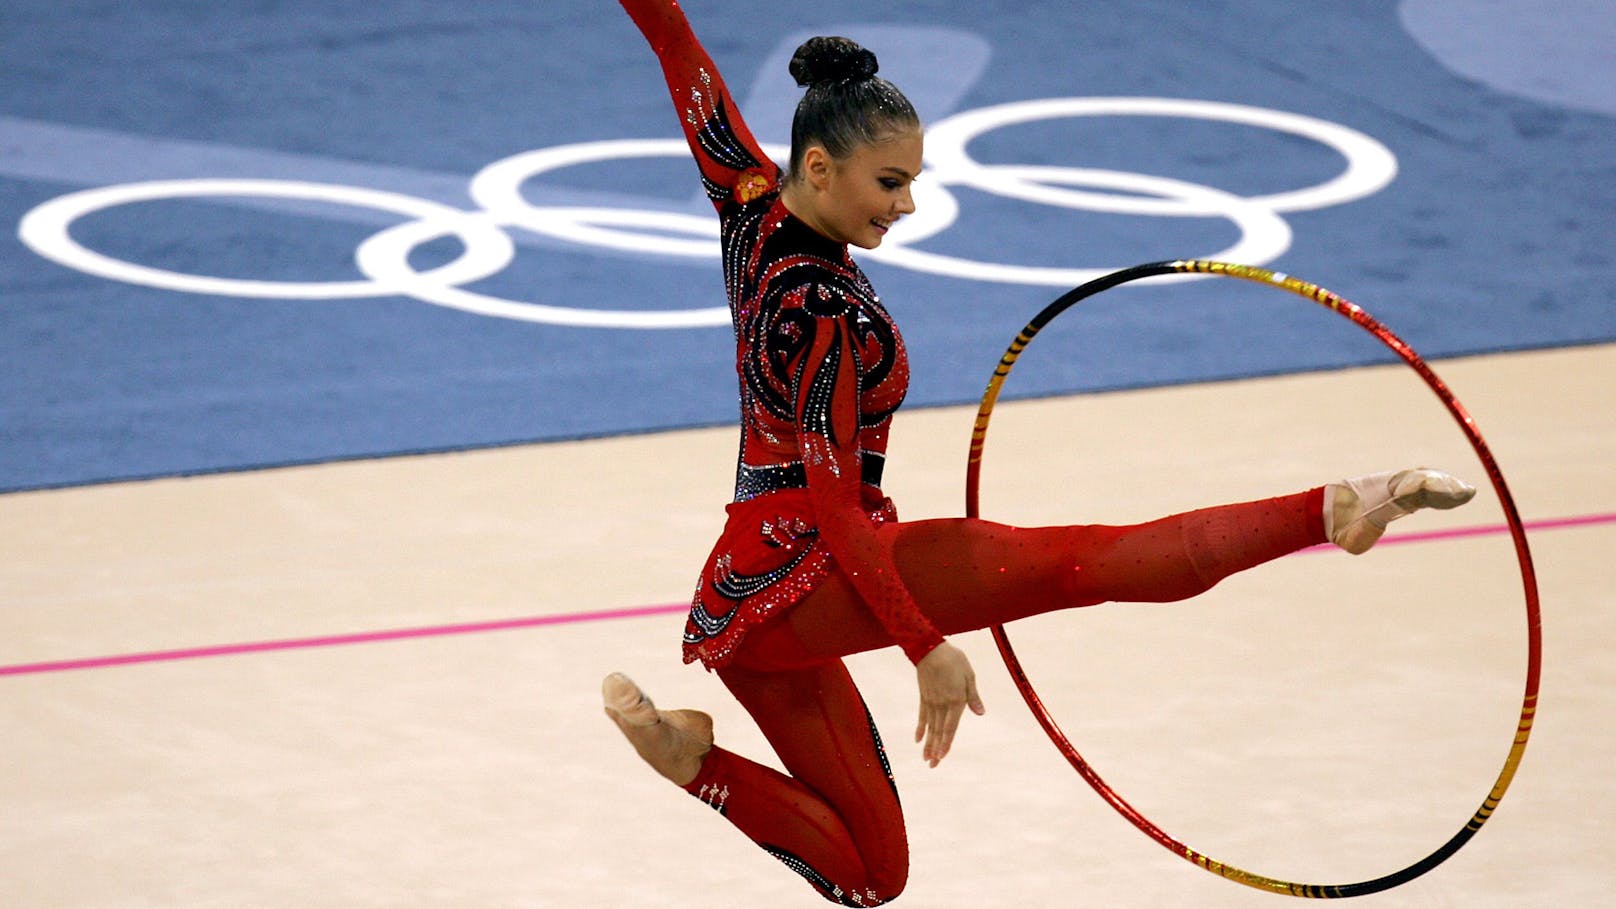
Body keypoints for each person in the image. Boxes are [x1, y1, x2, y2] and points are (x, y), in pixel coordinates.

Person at [602, 1, 1476, 904]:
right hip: (816, 567)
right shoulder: (822, 315)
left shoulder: (744, 197)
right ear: (820, 168)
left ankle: (687, 757)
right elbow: (833, 510)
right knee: (1075, 563)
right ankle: (1335, 508)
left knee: (873, 877)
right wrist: (924, 645)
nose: (908, 205)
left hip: (746, 594)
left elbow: (678, 48)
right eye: (891, 182)